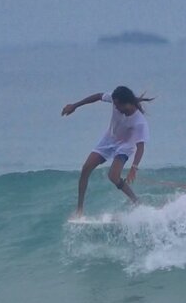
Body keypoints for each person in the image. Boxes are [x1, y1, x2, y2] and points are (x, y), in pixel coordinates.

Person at [62, 86, 153, 218]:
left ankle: (136, 201)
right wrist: (75, 105)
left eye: (117, 105)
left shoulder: (139, 122)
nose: (115, 107)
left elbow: (140, 147)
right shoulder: (116, 99)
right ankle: (80, 209)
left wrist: (134, 168)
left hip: (125, 146)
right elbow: (98, 96)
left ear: (126, 103)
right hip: (108, 140)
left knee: (113, 176)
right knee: (86, 168)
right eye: (114, 103)